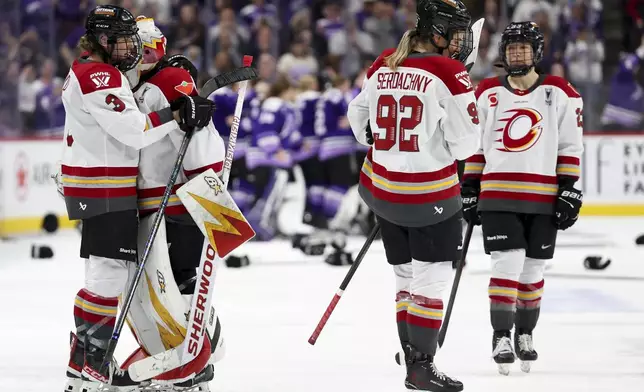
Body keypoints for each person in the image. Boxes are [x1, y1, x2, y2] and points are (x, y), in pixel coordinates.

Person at [60, 6, 215, 392]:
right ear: (103, 41)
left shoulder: (91, 70)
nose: (133, 50)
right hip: (106, 188)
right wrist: (178, 112)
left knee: (104, 275)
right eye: (126, 41)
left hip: (98, 186)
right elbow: (135, 131)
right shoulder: (98, 74)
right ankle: (90, 367)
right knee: (107, 277)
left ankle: (83, 364)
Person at [347, 0, 479, 390]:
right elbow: (465, 146)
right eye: (455, 34)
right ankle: (421, 365)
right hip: (427, 196)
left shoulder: (386, 62)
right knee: (431, 278)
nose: (460, 42)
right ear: (436, 34)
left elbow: (359, 117)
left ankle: (410, 352)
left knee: (405, 276)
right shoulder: (449, 72)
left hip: (382, 192)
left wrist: (381, 140)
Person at [461, 22, 584, 375]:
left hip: (543, 197)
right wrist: (470, 188)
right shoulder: (488, 93)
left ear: (537, 53)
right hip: (497, 195)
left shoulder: (561, 93)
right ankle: (501, 335)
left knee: (532, 270)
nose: (516, 54)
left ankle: (525, 334)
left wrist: (569, 188)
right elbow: (477, 146)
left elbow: (569, 146)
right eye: (511, 48)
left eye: (523, 48)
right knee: (507, 265)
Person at [122, 17, 226, 390]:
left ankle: (195, 362)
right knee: (168, 288)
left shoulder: (166, 81)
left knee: (179, 286)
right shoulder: (146, 84)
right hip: (159, 204)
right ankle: (192, 357)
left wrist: (207, 189)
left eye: (134, 49)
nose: (127, 56)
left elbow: (200, 138)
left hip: (177, 204)